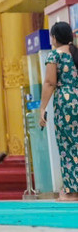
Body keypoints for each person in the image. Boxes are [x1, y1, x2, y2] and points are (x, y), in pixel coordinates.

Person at [39, 21, 78, 200]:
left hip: (66, 103)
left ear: (55, 38)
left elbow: (50, 83)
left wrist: (42, 108)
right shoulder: (75, 53)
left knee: (68, 145)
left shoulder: (55, 56)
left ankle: (72, 191)